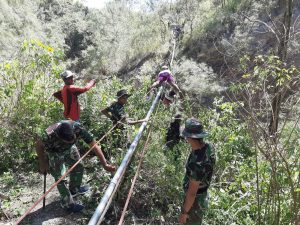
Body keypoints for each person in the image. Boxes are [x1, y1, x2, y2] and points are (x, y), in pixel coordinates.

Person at [36, 120, 116, 213]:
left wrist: (105, 164)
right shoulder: (48, 134)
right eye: (66, 140)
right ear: (59, 136)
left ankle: (74, 189)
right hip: (54, 152)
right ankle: (67, 204)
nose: (70, 141)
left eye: (72, 139)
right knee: (60, 178)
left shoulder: (78, 127)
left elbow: (94, 145)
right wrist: (43, 163)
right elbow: (38, 146)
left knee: (78, 166)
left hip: (70, 148)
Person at [179, 118, 215, 225]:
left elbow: (192, 193)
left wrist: (184, 213)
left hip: (194, 203)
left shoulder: (196, 163)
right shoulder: (209, 147)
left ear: (189, 137)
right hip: (203, 196)